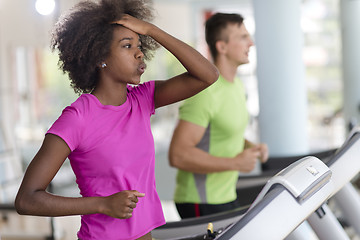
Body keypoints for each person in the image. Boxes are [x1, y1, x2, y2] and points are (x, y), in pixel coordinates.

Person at [14, 0, 218, 239]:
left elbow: (208, 75)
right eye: (127, 45)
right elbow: (27, 199)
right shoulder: (77, 118)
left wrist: (151, 30)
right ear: (100, 57)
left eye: (140, 44)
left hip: (146, 235)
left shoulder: (142, 100)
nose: (139, 52)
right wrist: (102, 204)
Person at [169, 12, 269, 219]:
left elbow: (219, 133)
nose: (250, 43)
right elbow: (178, 154)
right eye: (242, 37)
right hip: (199, 200)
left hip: (225, 194)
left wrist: (250, 147)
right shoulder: (205, 93)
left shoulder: (236, 85)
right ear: (221, 47)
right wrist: (236, 163)